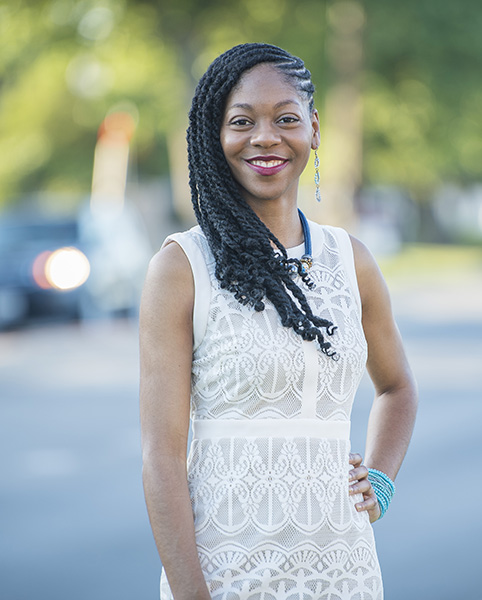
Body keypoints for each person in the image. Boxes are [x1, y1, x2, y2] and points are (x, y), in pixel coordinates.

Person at [139, 43, 418, 600]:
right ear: (214, 137)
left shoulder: (351, 260)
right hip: (227, 576)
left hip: (343, 572)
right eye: (241, 122)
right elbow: (161, 458)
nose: (265, 137)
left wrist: (380, 482)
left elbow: (398, 388)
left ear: (313, 129)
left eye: (285, 119)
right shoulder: (181, 268)